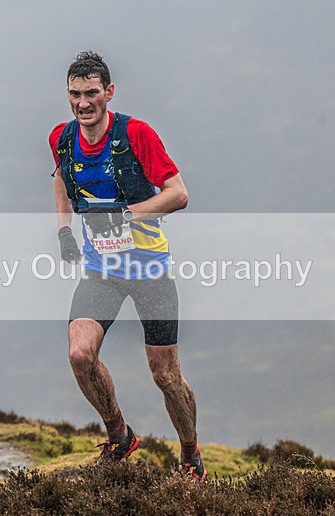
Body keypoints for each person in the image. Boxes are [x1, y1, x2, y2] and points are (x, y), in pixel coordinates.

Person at [50, 52, 206, 481]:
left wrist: (126, 216)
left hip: (150, 270)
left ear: (109, 93)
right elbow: (61, 177)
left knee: (165, 375)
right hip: (102, 271)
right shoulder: (62, 138)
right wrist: (64, 231)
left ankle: (190, 456)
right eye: (75, 94)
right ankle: (120, 436)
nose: (83, 103)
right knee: (80, 354)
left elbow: (178, 194)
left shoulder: (136, 134)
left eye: (92, 93)